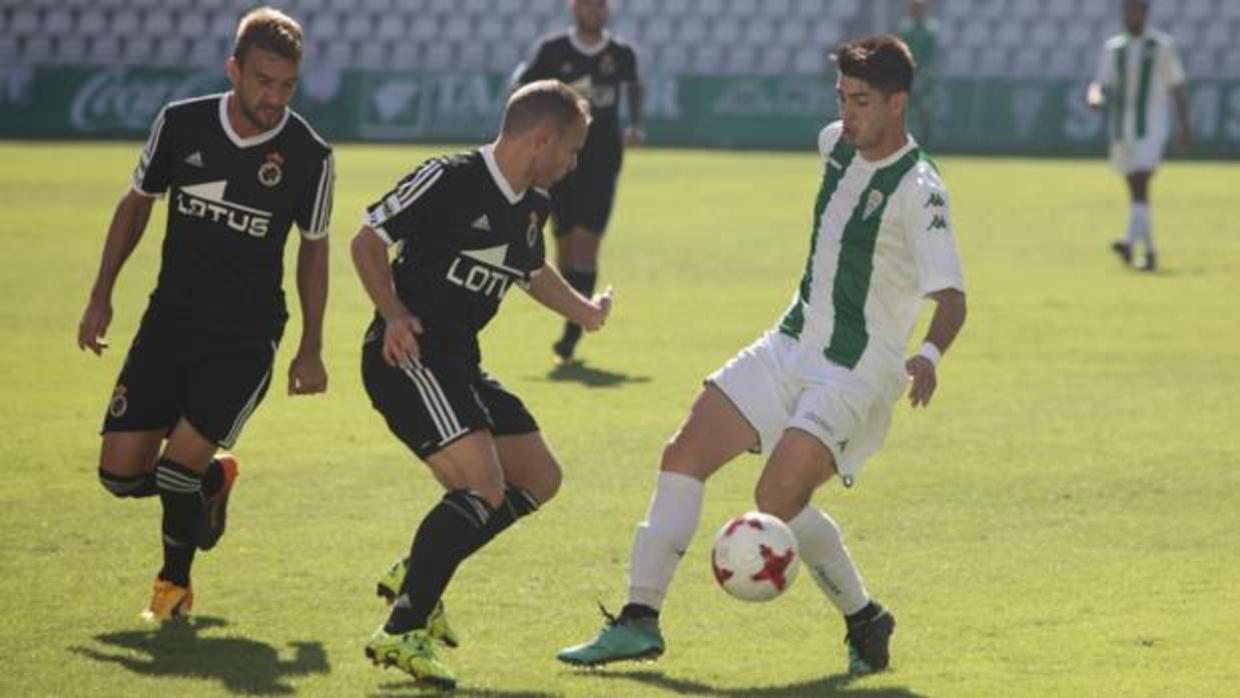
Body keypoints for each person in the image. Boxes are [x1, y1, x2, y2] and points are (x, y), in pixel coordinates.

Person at [557, 34, 968, 677]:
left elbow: (953, 298)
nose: (847, 113)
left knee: (776, 496)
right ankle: (639, 619)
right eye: (842, 97)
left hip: (856, 369)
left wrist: (931, 356)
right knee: (683, 452)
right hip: (790, 340)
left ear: (898, 103)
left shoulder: (921, 190)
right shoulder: (834, 144)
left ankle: (863, 616)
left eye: (862, 101)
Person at [352, 80, 613, 689]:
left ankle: (421, 571)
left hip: (459, 362)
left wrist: (584, 312)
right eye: (571, 150)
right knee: (482, 486)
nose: (573, 163)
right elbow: (367, 239)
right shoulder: (449, 177)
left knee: (539, 478)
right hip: (407, 352)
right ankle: (401, 630)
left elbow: (528, 269)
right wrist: (392, 313)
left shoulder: (532, 204)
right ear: (541, 138)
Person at [77, 6, 333, 621]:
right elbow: (137, 205)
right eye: (264, 81)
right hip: (168, 322)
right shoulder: (182, 124)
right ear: (234, 70)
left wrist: (311, 344)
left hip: (244, 339)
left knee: (174, 473)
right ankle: (214, 483)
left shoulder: (310, 154)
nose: (275, 97)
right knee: (118, 477)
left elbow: (314, 251)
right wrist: (100, 293)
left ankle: (173, 590)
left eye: (287, 85)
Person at [513, 0, 643, 363]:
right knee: (564, 246)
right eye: (587, 4)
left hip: (601, 163)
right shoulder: (552, 50)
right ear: (574, 8)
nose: (593, 11)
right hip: (556, 163)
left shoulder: (621, 54)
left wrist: (635, 123)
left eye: (599, 5)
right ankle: (575, 315)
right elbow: (522, 85)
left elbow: (634, 87)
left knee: (586, 245)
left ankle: (572, 332)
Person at [1087, 0, 1190, 272]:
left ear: (1145, 13)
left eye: (1136, 10)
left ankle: (1132, 243)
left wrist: (1184, 124)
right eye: (1128, 10)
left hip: (1152, 127)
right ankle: (1145, 250)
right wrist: (1094, 97)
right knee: (1136, 191)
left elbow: (1176, 86)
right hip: (1122, 129)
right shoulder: (1114, 48)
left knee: (1141, 182)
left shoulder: (1161, 46)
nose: (1131, 15)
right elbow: (1100, 82)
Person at [898, 0, 938, 145]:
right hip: (906, 74)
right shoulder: (905, 29)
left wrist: (924, 75)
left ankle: (927, 141)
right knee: (902, 109)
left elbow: (931, 56)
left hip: (923, 76)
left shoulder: (930, 31)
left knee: (924, 108)